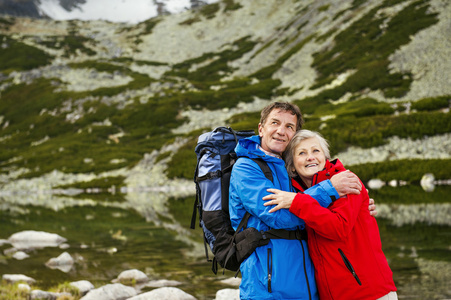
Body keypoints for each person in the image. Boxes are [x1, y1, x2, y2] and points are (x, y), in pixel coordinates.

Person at [229, 102, 374, 300]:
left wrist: (359, 206)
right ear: (261, 128)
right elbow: (280, 216)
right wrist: (330, 188)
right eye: (275, 123)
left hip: (307, 289)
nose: (281, 131)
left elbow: (316, 210)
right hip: (268, 290)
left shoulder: (290, 170)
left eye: (289, 127)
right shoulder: (245, 168)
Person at [263, 129, 397, 300]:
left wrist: (298, 202)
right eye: (302, 153)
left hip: (369, 292)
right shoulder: (296, 193)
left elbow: (338, 228)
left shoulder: (346, 181)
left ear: (325, 157)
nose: (310, 157)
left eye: (315, 151)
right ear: (292, 165)